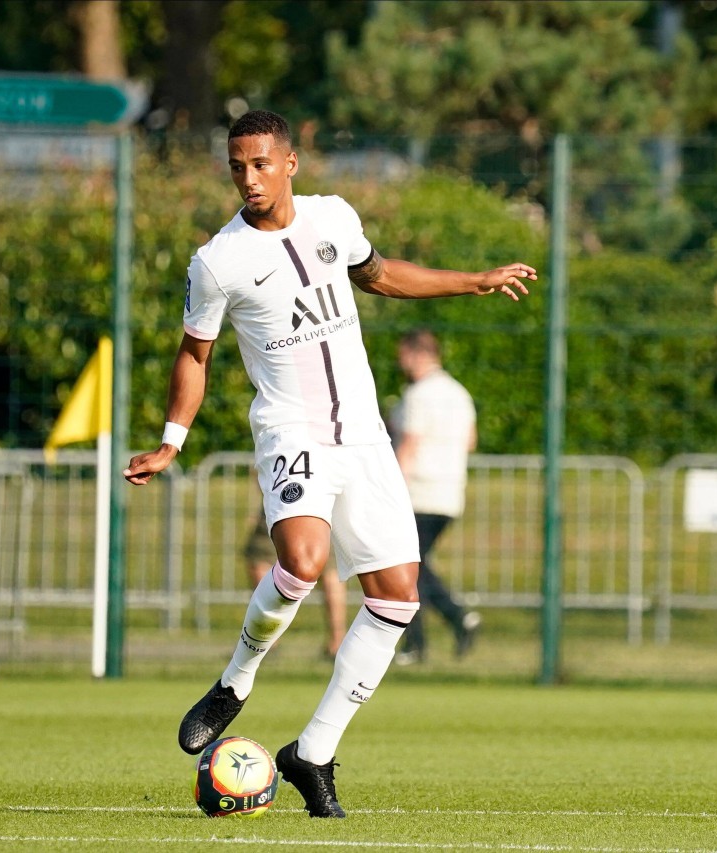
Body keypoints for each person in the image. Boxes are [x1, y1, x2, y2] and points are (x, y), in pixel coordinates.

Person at [123, 109, 535, 818]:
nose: (247, 178)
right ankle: (236, 680)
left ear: (290, 162)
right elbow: (194, 353)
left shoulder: (333, 218)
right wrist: (171, 441)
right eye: (236, 166)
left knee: (397, 597)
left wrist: (472, 280)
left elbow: (379, 275)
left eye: (259, 163)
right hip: (292, 430)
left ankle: (311, 753)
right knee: (304, 562)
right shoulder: (217, 261)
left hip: (366, 437)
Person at [391, 329, 481, 665]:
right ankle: (457, 621)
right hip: (450, 493)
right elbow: (470, 440)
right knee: (415, 566)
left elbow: (409, 445)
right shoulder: (460, 393)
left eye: (402, 356)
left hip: (418, 492)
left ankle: (421, 642)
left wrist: (391, 493)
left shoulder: (418, 395)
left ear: (417, 353)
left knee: (405, 568)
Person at [243, 503, 347, 659]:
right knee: (329, 567)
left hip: (285, 496)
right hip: (325, 502)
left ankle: (267, 643)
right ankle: (338, 642)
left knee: (261, 558)